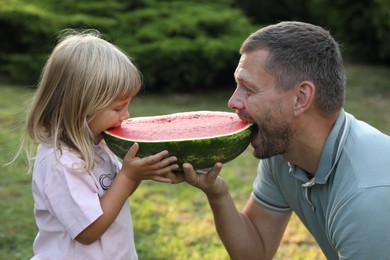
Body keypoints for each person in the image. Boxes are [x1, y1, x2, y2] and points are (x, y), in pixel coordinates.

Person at [170, 21, 390, 259]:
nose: (233, 102)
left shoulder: (368, 196)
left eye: (249, 89)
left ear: (300, 98)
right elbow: (256, 251)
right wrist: (217, 193)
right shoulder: (283, 151)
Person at [18, 30, 179, 259]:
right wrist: (129, 177)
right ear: (82, 106)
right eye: (118, 108)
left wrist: (137, 173)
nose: (126, 116)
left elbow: (114, 194)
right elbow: (87, 231)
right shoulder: (61, 163)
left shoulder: (97, 144)